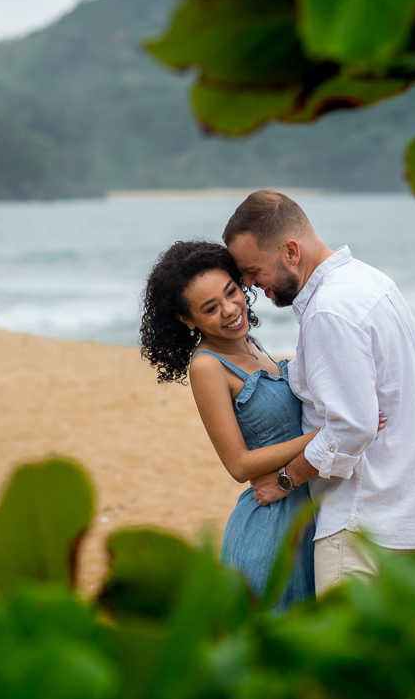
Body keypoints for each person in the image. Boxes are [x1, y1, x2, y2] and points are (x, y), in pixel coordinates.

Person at [223, 190, 415, 594]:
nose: (247, 285)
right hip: (413, 510)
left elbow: (352, 428)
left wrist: (285, 479)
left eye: (252, 270)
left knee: (347, 655)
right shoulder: (370, 281)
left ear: (291, 251)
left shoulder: (329, 310)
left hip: (364, 520)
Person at [139, 240, 330, 610]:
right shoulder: (207, 366)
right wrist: (324, 437)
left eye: (232, 292)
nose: (230, 310)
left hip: (305, 513)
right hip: (268, 527)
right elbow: (239, 465)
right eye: (210, 308)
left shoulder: (250, 343)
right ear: (186, 319)